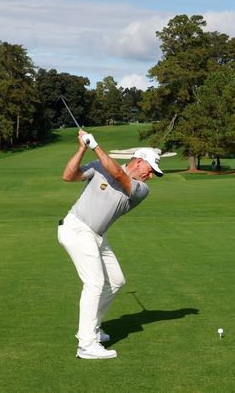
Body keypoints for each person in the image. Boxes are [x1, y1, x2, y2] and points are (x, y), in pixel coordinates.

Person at [58, 129, 163, 360]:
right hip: (76, 228)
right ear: (138, 161)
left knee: (116, 280)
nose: (151, 175)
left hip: (97, 235)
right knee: (95, 283)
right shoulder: (99, 166)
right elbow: (68, 176)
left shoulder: (140, 189)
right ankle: (86, 344)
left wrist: (96, 144)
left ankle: (92, 327)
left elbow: (117, 174)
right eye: (151, 169)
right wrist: (81, 149)